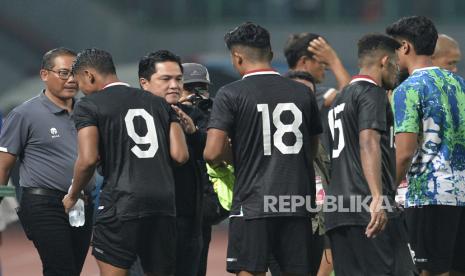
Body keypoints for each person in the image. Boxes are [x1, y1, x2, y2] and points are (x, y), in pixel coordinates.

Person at [204, 22, 322, 275]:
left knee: (249, 270)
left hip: (254, 202)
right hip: (296, 201)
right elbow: (311, 149)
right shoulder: (302, 93)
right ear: (270, 53)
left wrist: (236, 156)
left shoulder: (230, 94)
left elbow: (212, 152)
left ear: (236, 57)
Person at [63, 48, 189, 276]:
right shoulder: (160, 104)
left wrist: (72, 195)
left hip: (121, 202)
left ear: (89, 75)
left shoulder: (88, 105)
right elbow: (180, 155)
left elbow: (88, 159)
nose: (80, 88)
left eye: (80, 81)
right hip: (163, 204)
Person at [325, 33, 416, 275]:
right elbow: (368, 142)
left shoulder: (339, 99)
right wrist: (377, 197)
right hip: (369, 208)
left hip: (338, 210)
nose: (397, 71)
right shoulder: (371, 93)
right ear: (384, 61)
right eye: (395, 65)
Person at [0, 47, 94, 276]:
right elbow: (3, 165)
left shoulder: (88, 111)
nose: (71, 79)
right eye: (64, 73)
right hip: (44, 204)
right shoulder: (24, 114)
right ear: (44, 74)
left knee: (71, 270)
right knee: (60, 269)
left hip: (81, 203)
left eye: (76, 73)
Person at [387, 16, 465, 276]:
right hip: (461, 192)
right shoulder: (461, 85)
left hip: (428, 194)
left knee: (428, 271)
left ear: (405, 47)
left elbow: (405, 152)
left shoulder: (408, 89)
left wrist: (385, 193)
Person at [138, 51, 205, 276]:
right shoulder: (131, 117)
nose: (175, 85)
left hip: (187, 219)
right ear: (144, 83)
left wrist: (194, 133)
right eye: (166, 79)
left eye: (179, 79)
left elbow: (213, 155)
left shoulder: (193, 115)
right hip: (146, 219)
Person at [285, 71, 333, 276]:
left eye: (310, 96)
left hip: (317, 225)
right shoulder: (273, 141)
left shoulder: (325, 139)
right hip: (283, 221)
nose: (305, 100)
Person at [284, 32, 351, 109]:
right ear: (304, 61)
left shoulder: (276, 90)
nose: (326, 68)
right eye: (322, 62)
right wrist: (333, 61)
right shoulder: (311, 94)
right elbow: (349, 97)